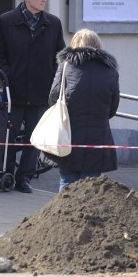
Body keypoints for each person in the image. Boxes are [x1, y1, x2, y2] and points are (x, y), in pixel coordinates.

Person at [0, 0, 66, 193]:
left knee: (36, 137)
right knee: (9, 136)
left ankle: (24, 178)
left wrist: (54, 79)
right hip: (14, 91)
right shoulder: (7, 21)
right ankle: (5, 175)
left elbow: (60, 56)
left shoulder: (53, 23)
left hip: (41, 91)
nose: (44, 0)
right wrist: (9, 74)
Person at [49, 29, 119, 192]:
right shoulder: (110, 71)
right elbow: (113, 107)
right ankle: (86, 217)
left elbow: (53, 96)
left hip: (68, 135)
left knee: (67, 180)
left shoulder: (66, 66)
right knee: (91, 186)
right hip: (98, 138)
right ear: (98, 46)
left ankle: (63, 216)